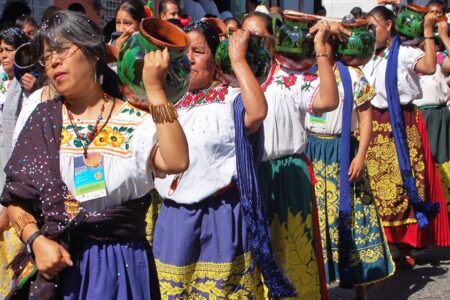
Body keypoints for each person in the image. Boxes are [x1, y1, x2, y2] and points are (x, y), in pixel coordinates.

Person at [1, 10, 188, 299]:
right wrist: (36, 241)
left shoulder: (133, 119)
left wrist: (155, 91)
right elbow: (16, 199)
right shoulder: (43, 119)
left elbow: (176, 161)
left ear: (92, 53)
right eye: (47, 56)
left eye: (62, 49)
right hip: (59, 266)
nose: (54, 61)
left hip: (121, 267)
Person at [152, 20, 292, 299]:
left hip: (219, 217)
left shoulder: (230, 99)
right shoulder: (168, 103)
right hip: (174, 219)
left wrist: (238, 60)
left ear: (216, 59)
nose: (189, 59)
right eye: (184, 52)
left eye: (198, 51)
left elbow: (257, 111)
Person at [243, 12, 339, 299]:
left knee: (292, 250)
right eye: (244, 38)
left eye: (258, 38)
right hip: (249, 176)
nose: (251, 45)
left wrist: (321, 49)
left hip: (287, 174)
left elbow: (328, 100)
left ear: (273, 43)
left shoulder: (289, 78)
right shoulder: (230, 78)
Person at [304, 35, 395, 299]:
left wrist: (361, 156)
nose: (319, 49)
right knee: (317, 220)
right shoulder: (305, 75)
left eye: (324, 44)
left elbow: (366, 118)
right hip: (313, 150)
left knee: (353, 218)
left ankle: (361, 288)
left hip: (342, 151)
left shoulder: (353, 76)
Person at [363, 6, 450, 267]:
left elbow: (430, 65)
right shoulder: (366, 55)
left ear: (389, 25)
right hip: (372, 123)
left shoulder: (405, 52)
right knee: (376, 186)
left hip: (402, 122)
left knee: (404, 182)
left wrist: (427, 32)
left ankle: (406, 241)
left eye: (373, 26)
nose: (369, 32)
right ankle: (384, 241)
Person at [0, 26, 32, 299]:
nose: (3, 56)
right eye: (0, 51)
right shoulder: (4, 83)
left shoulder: (27, 85)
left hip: (13, 171)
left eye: (8, 51)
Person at [413, 0, 450, 214]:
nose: (434, 18)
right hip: (417, 115)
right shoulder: (413, 52)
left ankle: (443, 205)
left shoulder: (440, 55)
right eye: (430, 13)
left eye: (439, 14)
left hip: (437, 116)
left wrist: (444, 37)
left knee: (441, 162)